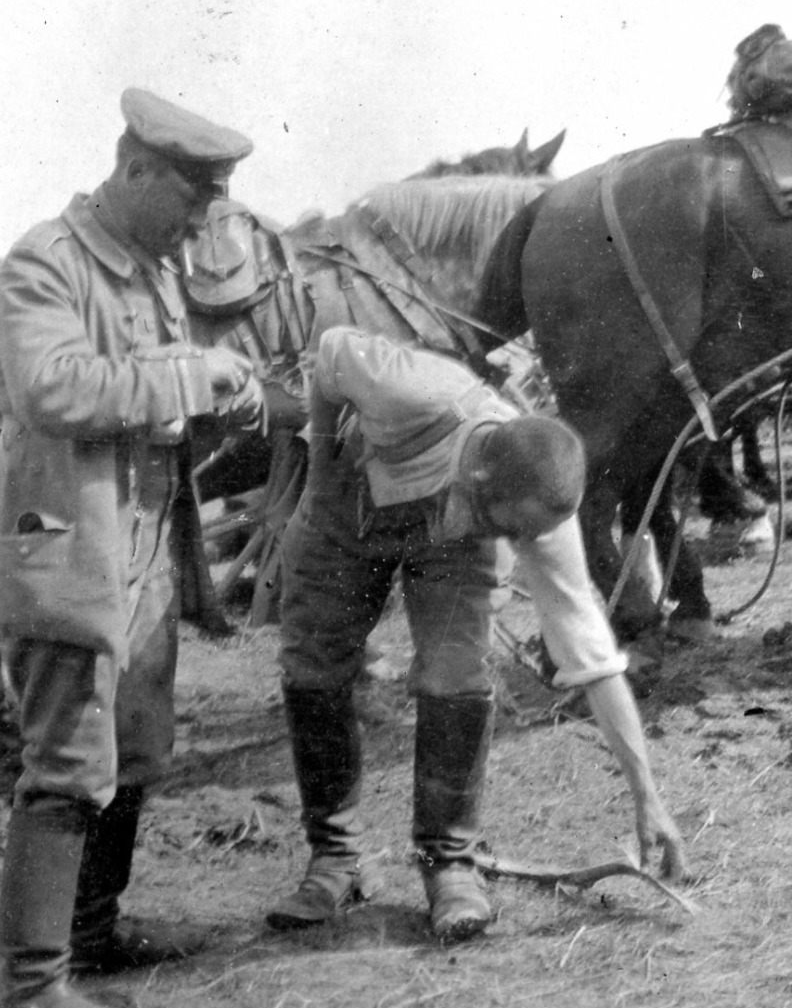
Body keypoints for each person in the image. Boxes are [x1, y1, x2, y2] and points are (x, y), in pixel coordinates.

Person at [0, 88, 265, 1008]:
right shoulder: (46, 260)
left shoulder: (147, 266)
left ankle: (91, 934)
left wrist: (224, 398)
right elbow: (52, 388)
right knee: (65, 768)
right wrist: (185, 376)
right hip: (65, 553)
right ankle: (31, 994)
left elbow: (150, 395)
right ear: (134, 171)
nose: (200, 225)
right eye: (190, 200)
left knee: (131, 751)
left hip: (140, 554)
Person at [266, 327, 688, 944]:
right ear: (483, 472)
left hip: (451, 545)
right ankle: (332, 859)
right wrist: (323, 470)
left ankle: (450, 866)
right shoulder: (410, 394)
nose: (519, 543)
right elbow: (330, 351)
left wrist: (647, 795)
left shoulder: (536, 513)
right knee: (314, 667)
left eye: (522, 537)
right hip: (351, 498)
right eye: (506, 525)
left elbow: (595, 659)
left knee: (456, 675)